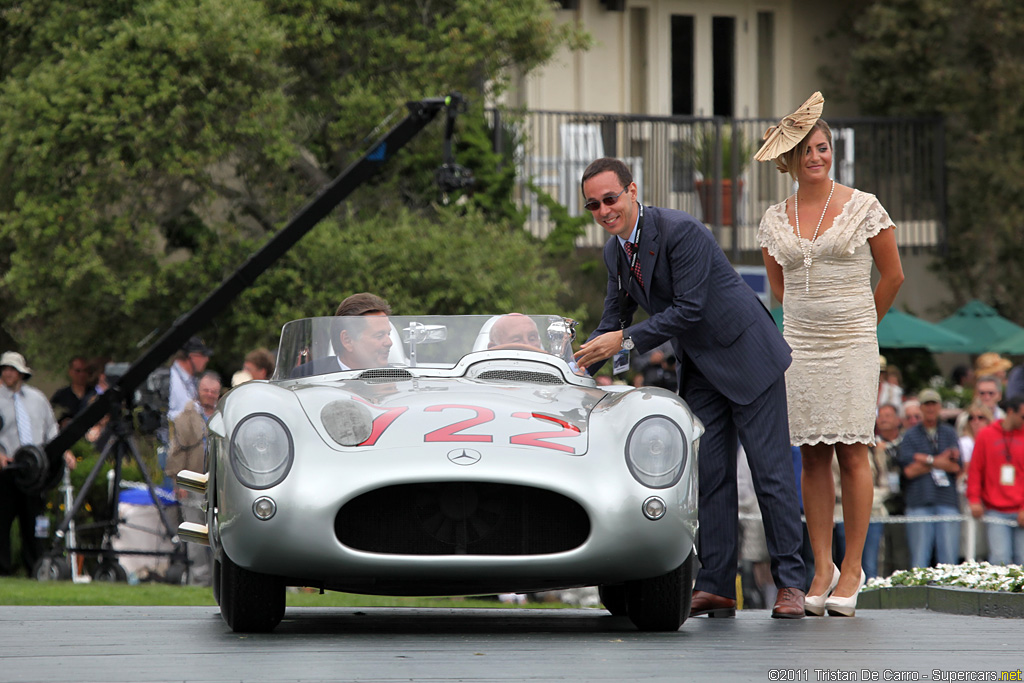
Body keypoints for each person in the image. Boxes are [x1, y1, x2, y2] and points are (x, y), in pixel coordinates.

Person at [573, 157, 807, 619]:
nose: (603, 210)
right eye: (593, 205)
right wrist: (586, 363)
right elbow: (613, 319)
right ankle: (718, 586)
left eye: (610, 198)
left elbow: (690, 309)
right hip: (700, 369)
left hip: (748, 358)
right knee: (710, 480)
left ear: (632, 190)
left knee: (771, 476)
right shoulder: (614, 252)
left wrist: (622, 341)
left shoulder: (682, 231)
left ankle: (792, 584)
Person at [755, 92, 904, 616]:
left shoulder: (864, 204)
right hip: (802, 345)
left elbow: (893, 275)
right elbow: (779, 288)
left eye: (822, 147)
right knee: (813, 454)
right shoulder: (775, 217)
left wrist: (864, 323)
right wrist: (806, 325)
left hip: (854, 342)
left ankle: (854, 566)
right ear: (790, 161)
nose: (816, 156)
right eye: (806, 151)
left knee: (853, 450)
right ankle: (821, 565)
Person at [0, 352, 77, 576]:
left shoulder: (37, 399)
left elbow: (51, 430)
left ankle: (35, 567)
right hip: (8, 468)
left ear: (21, 373)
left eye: (12, 369)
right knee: (3, 520)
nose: (7, 373)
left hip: (34, 471)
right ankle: (3, 569)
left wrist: (64, 452)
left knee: (33, 521)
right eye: (4, 369)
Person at [165, 371, 222, 586]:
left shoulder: (223, 415)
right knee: (195, 534)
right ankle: (199, 579)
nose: (209, 395)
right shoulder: (185, 417)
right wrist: (179, 483)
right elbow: (176, 453)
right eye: (206, 390)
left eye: (214, 391)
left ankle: (219, 580)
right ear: (199, 391)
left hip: (218, 483)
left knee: (218, 533)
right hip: (193, 482)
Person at [898, 388, 961, 568]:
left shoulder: (949, 432)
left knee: (948, 560)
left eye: (933, 404)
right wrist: (939, 460)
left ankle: (950, 595)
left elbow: (956, 466)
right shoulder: (910, 434)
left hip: (946, 500)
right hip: (918, 501)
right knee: (919, 559)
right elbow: (909, 471)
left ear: (939, 406)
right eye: (927, 404)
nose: (930, 408)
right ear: (921, 407)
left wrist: (925, 459)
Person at [966, 394, 1024, 566]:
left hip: (1021, 510)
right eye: (1023, 416)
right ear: (1010, 412)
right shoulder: (986, 435)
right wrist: (974, 499)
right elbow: (976, 470)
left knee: (1022, 560)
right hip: (995, 510)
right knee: (1000, 559)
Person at [292, 293, 393, 376]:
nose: (389, 342)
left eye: (388, 334)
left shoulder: (397, 377)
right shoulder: (307, 375)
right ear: (347, 340)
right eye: (379, 336)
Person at [958, 400, 993, 561]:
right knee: (972, 537)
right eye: (971, 418)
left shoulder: (995, 441)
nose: (976, 421)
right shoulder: (964, 443)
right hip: (971, 495)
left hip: (992, 493)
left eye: (980, 417)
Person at [169, 337, 213, 422]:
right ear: (192, 356)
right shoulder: (173, 380)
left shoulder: (188, 379)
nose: (207, 359)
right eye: (204, 355)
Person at [49, 356, 96, 428]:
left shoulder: (95, 394)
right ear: (70, 372)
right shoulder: (61, 395)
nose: (82, 374)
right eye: (78, 371)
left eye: (85, 371)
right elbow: (51, 419)